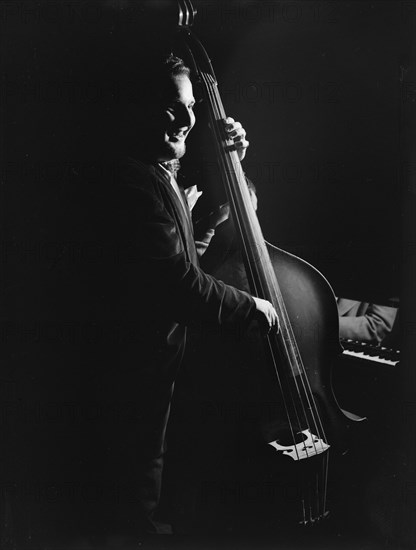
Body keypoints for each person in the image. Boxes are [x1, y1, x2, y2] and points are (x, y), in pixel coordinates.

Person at [107, 53, 279, 536]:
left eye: (190, 106)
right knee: (131, 501)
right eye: (170, 107)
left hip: (155, 369)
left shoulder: (157, 173)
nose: (186, 119)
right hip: (132, 373)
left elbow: (185, 259)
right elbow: (176, 284)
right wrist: (252, 306)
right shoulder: (130, 182)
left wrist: (229, 180)